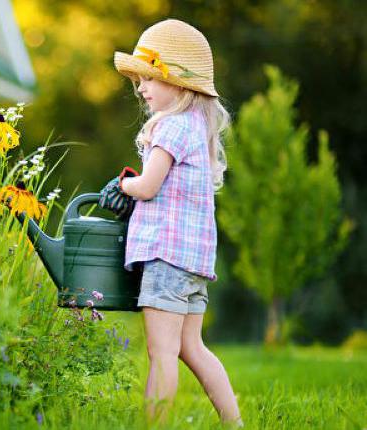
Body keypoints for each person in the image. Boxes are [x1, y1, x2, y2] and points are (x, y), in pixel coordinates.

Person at [107, 18, 243, 427]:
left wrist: (123, 185)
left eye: (150, 78)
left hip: (166, 257)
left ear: (180, 84)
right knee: (192, 347)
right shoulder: (196, 128)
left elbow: (148, 186)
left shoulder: (169, 126)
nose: (142, 88)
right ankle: (234, 423)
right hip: (194, 261)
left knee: (161, 352)